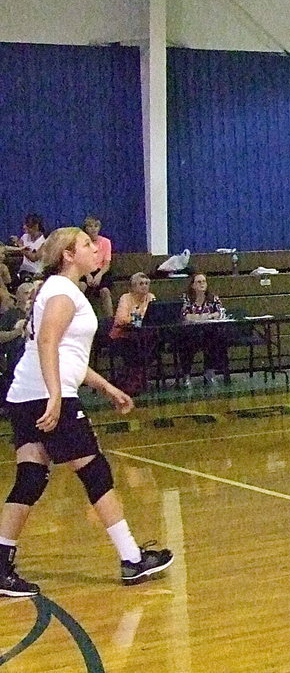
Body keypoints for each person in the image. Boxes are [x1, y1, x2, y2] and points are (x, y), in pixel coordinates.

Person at [0, 227, 173, 597]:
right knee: (95, 472)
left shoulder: (60, 290)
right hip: (46, 394)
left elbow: (68, 355)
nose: (95, 249)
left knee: (30, 478)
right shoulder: (62, 291)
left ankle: (1, 565)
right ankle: (131, 560)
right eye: (87, 245)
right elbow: (47, 342)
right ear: (67, 254)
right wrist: (56, 395)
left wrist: (107, 386)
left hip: (25, 393)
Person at [177, 272, 231, 387]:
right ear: (192, 285)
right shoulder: (185, 298)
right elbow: (185, 316)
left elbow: (219, 312)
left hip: (208, 332)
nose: (202, 284)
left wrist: (206, 316)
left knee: (216, 339)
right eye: (198, 282)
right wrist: (205, 316)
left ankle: (209, 372)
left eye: (204, 282)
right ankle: (186, 375)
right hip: (190, 333)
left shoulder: (213, 298)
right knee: (186, 344)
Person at [110, 272, 157, 395]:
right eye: (141, 284)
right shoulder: (125, 298)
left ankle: (139, 379)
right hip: (122, 336)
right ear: (133, 287)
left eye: (147, 283)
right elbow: (121, 319)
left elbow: (153, 316)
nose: (144, 286)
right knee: (134, 346)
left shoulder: (151, 297)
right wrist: (137, 318)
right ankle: (134, 381)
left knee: (155, 342)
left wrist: (139, 318)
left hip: (144, 335)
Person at [82, 215, 114, 318]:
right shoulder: (81, 242)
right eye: (90, 226)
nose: (93, 229)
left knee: (105, 291)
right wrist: (87, 275)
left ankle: (110, 322)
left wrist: (99, 275)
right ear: (86, 229)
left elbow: (107, 264)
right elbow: (80, 262)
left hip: (101, 271)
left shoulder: (106, 242)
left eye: (96, 226)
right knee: (81, 286)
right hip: (85, 270)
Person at [10, 214, 46, 282]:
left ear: (36, 226)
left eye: (28, 225)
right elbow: (17, 249)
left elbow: (33, 258)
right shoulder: (25, 237)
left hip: (36, 273)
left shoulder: (43, 242)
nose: (24, 227)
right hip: (23, 269)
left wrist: (20, 245)